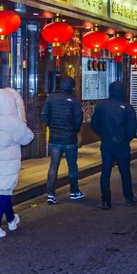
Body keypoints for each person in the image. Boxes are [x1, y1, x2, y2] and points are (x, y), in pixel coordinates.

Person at [0, 88, 34, 239]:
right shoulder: (13, 121)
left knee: (4, 191)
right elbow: (27, 138)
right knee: (3, 194)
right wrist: (22, 119)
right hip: (7, 162)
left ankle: (11, 220)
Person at [91, 81, 137, 210]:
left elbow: (94, 123)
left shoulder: (102, 106)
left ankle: (106, 200)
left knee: (105, 172)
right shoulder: (127, 107)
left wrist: (103, 134)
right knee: (125, 172)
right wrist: (126, 138)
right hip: (122, 145)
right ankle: (129, 197)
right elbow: (132, 128)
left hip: (106, 144)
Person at [42, 76, 84, 204]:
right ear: (70, 86)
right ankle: (74, 191)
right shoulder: (74, 100)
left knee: (54, 166)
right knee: (72, 166)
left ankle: (50, 194)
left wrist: (52, 125)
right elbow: (78, 119)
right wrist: (74, 130)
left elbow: (44, 115)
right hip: (70, 138)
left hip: (55, 138)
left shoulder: (51, 98)